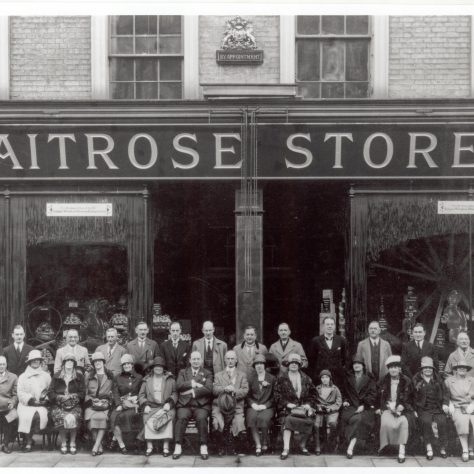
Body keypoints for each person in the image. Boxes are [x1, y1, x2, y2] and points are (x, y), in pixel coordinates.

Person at [274, 352, 317, 460]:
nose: (294, 365)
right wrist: (287, 404)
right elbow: (276, 395)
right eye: (291, 363)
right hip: (287, 409)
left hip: (303, 409)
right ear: (288, 365)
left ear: (299, 365)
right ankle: (286, 448)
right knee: (287, 420)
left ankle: (302, 445)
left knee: (310, 421)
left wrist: (308, 404)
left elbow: (313, 394)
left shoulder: (306, 378)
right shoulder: (281, 378)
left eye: (296, 363)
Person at [173, 351, 213, 460]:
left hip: (201, 405)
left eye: (198, 359)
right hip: (185, 404)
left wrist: (193, 392)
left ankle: (203, 446)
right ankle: (178, 446)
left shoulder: (207, 373)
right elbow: (179, 386)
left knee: (202, 418)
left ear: (201, 360)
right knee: (181, 417)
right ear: (190, 360)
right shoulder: (183, 372)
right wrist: (193, 383)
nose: (196, 361)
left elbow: (209, 389)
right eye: (193, 359)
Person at [376, 355, 415, 463]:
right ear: (388, 369)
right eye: (391, 367)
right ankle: (387, 447)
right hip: (387, 408)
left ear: (399, 369)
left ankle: (401, 450)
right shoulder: (383, 381)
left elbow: (412, 398)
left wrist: (403, 405)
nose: (393, 369)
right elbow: (378, 398)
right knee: (385, 423)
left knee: (403, 423)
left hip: (403, 410)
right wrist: (381, 407)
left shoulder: (406, 381)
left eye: (395, 367)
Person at [212, 350, 249, 456]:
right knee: (217, 421)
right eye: (228, 358)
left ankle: (236, 447)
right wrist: (225, 389)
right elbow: (214, 390)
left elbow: (245, 390)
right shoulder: (218, 375)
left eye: (232, 358)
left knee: (238, 421)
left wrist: (233, 391)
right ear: (224, 360)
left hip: (236, 405)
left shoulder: (242, 375)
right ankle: (221, 447)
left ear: (236, 360)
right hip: (220, 405)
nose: (230, 361)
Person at [138, 356, 177, 457]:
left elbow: (175, 393)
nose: (158, 368)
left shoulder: (170, 379)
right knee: (147, 417)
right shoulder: (147, 380)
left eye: (161, 366)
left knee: (168, 418)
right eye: (156, 366)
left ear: (164, 368)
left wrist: (169, 403)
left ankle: (166, 446)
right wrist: (145, 405)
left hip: (165, 406)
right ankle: (149, 446)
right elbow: (141, 395)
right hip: (151, 406)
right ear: (152, 368)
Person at [412, 356, 449, 460]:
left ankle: (442, 447)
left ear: (433, 369)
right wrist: (414, 409)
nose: (428, 369)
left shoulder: (438, 379)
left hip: (437, 407)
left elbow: (446, 393)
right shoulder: (416, 380)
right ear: (422, 369)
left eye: (430, 368)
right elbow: (413, 397)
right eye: (425, 368)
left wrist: (445, 403)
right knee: (426, 422)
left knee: (442, 422)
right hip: (423, 409)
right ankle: (429, 447)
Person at [48, 353, 85, 455]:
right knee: (61, 416)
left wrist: (73, 396)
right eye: (67, 361)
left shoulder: (79, 376)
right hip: (59, 405)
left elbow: (82, 393)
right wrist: (59, 397)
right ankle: (63, 443)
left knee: (73, 417)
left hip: (74, 405)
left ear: (74, 364)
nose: (69, 363)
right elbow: (50, 392)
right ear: (63, 363)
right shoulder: (56, 376)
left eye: (71, 361)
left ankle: (73, 443)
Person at [341, 357, 377, 459]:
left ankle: (350, 447)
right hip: (351, 406)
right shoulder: (348, 378)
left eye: (359, 364)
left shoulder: (369, 379)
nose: (356, 365)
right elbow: (343, 392)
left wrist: (364, 405)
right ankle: (347, 444)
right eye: (354, 364)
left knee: (358, 419)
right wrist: (345, 401)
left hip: (365, 407)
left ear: (363, 366)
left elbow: (373, 394)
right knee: (346, 418)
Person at [17, 349, 52, 452]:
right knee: (27, 416)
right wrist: (30, 400)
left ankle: (30, 439)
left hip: (41, 404)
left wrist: (45, 400)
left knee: (39, 416)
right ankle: (28, 441)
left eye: (37, 360)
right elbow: (20, 392)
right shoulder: (22, 377)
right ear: (29, 362)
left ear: (40, 361)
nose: (35, 362)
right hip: (26, 405)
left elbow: (50, 390)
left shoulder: (46, 376)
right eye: (33, 360)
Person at [110, 354, 143, 454]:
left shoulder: (139, 377)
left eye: (128, 363)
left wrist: (136, 397)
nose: (126, 366)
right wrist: (119, 404)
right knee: (113, 416)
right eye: (124, 364)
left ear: (132, 365)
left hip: (134, 405)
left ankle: (115, 439)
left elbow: (142, 392)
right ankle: (121, 444)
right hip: (121, 404)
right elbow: (115, 392)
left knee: (125, 416)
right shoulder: (117, 377)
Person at [84, 352, 115, 456]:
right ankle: (99, 446)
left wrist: (107, 401)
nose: (97, 363)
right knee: (91, 420)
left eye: (99, 361)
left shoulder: (110, 376)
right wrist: (91, 400)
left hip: (104, 405)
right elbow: (85, 393)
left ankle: (96, 446)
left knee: (102, 419)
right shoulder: (88, 376)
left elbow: (114, 392)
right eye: (95, 361)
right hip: (91, 404)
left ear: (103, 362)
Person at [245, 353, 275, 456]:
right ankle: (258, 445)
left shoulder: (271, 378)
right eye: (257, 364)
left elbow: (274, 396)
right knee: (251, 418)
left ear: (264, 365)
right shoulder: (250, 378)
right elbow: (247, 395)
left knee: (264, 418)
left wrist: (265, 405)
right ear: (254, 366)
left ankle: (265, 442)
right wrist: (252, 404)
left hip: (267, 406)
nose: (259, 366)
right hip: (253, 405)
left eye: (261, 364)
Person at [444, 359, 474, 462]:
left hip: (470, 406)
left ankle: (471, 449)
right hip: (457, 407)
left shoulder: (472, 380)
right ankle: (465, 450)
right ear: (456, 369)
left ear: (467, 369)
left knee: (473, 421)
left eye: (464, 367)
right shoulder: (449, 381)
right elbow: (445, 396)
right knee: (462, 422)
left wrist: (473, 405)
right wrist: (450, 404)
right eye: (459, 367)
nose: (462, 369)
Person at [309, 316, 347, 388]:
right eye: (327, 324)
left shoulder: (341, 340)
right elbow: (312, 360)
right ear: (323, 326)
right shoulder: (316, 341)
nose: (330, 326)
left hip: (337, 378)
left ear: (335, 326)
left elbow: (344, 359)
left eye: (332, 324)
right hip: (321, 377)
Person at [314, 369, 342, 455]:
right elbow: (313, 400)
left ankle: (331, 443)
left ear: (330, 378)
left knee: (333, 424)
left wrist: (331, 408)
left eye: (326, 377)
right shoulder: (317, 388)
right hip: (320, 411)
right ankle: (318, 446)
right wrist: (318, 407)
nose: (324, 379)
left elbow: (339, 402)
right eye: (322, 377)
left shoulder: (335, 389)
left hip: (332, 411)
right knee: (316, 425)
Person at [0, 355, 18, 454]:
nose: (1, 366)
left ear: (6, 365)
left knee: (12, 417)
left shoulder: (13, 377)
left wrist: (13, 402)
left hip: (7, 406)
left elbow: (15, 394)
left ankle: (5, 443)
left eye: (3, 364)